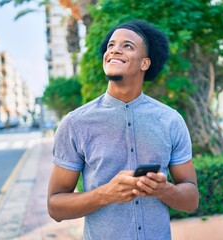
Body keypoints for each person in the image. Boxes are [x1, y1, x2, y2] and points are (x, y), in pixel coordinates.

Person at [47, 20, 199, 240]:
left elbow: (191, 200)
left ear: (145, 63)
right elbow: (55, 207)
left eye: (127, 45)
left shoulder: (170, 120)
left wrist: (164, 190)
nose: (114, 50)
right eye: (110, 46)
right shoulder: (74, 123)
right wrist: (105, 194)